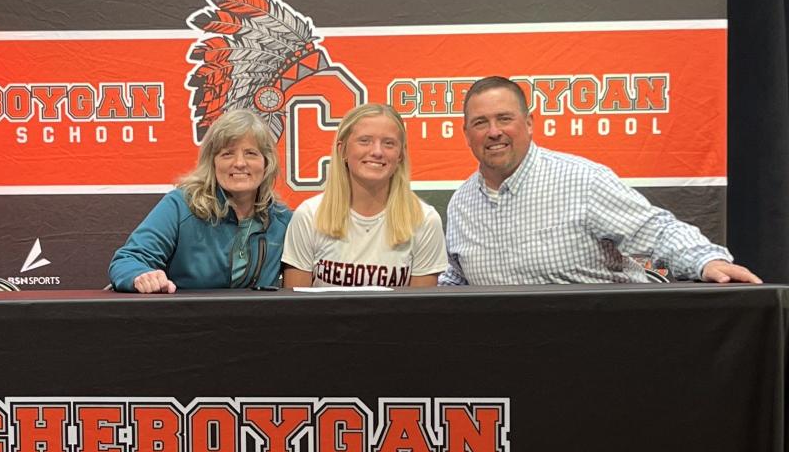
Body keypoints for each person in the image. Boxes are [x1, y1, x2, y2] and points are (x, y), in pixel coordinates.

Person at [440, 76, 761, 285]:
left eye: (504, 119)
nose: (494, 131)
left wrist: (706, 260)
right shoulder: (461, 203)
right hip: (509, 355)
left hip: (604, 346)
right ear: (467, 134)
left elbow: (657, 231)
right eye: (481, 122)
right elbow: (456, 279)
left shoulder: (582, 181)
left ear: (530, 123)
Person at [109, 109, 291, 293]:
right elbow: (127, 260)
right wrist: (141, 275)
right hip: (186, 318)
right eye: (227, 154)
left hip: (258, 320)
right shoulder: (181, 205)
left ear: (267, 162)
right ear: (212, 162)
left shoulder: (283, 220)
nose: (240, 163)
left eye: (251, 153)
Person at [282, 103, 447, 288]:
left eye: (389, 143)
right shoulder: (309, 215)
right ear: (342, 149)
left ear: (400, 155)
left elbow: (421, 311)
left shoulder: (424, 220)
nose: (377, 151)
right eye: (365, 140)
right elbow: (296, 310)